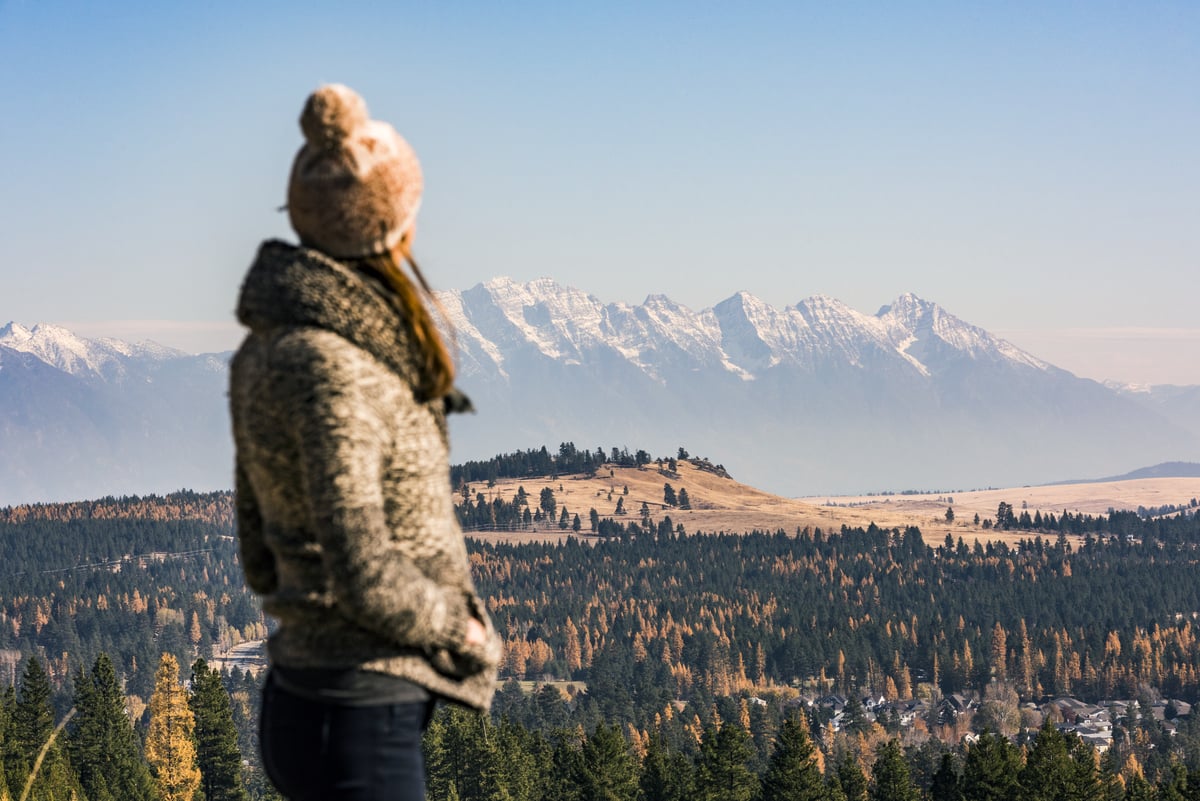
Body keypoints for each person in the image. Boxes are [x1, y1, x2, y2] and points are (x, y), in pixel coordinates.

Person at [229, 84, 501, 801]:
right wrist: (459, 627)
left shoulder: (268, 346)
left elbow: (259, 550)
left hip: (305, 694)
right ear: (392, 218)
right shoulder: (340, 365)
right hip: (359, 715)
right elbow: (359, 559)